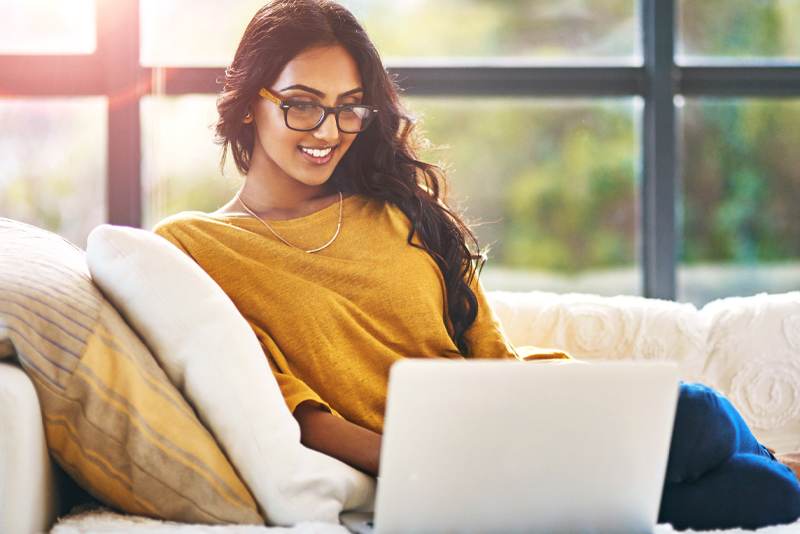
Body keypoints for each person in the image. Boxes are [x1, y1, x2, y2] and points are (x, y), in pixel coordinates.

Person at [153, 0, 800, 530]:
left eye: (349, 106)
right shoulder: (195, 248)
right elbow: (297, 413)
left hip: (517, 427)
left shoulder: (394, 209)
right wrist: (434, 467)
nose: (328, 130)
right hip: (435, 473)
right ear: (247, 101)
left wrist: (520, 440)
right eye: (302, 103)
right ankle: (783, 464)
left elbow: (488, 352)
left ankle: (777, 462)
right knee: (749, 484)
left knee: (708, 423)